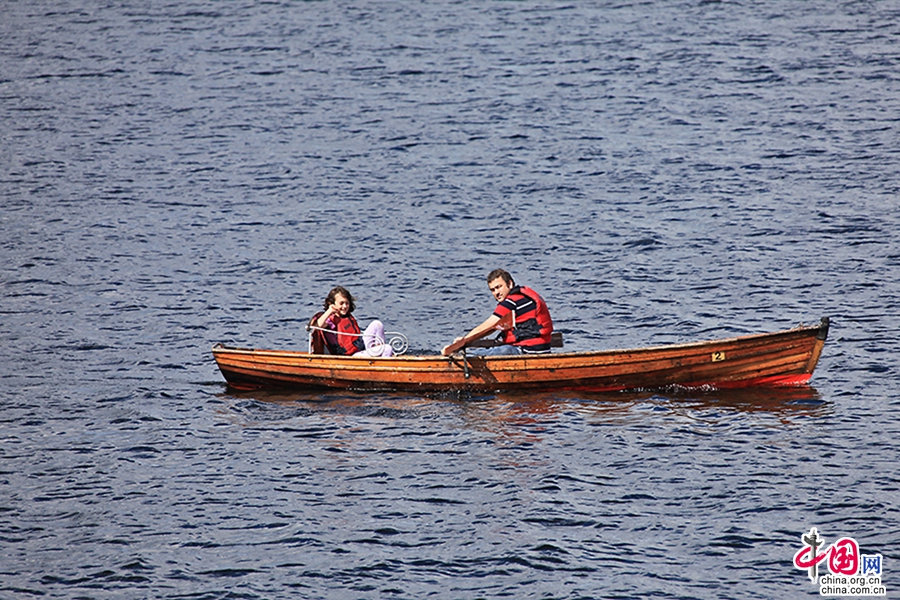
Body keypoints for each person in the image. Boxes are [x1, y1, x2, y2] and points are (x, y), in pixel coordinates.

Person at [441, 269, 553, 356]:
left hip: (525, 352)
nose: (496, 293)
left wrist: (463, 341)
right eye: (493, 290)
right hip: (542, 352)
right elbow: (491, 328)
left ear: (510, 284)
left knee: (499, 351)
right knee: (498, 349)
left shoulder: (511, 302)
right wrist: (466, 341)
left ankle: (463, 357)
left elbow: (487, 325)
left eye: (499, 287)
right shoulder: (524, 298)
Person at [310, 286, 393, 357]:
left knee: (377, 324)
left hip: (359, 346)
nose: (345, 306)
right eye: (341, 303)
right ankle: (383, 362)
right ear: (332, 303)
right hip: (350, 356)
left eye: (347, 303)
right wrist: (330, 310)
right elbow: (317, 326)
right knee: (387, 348)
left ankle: (378, 354)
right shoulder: (330, 321)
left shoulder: (347, 316)